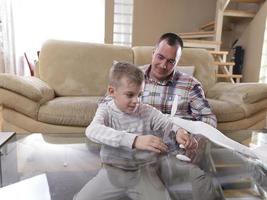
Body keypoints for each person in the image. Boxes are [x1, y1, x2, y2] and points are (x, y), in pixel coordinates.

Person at [74, 61, 196, 200]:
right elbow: (92, 130)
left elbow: (167, 123)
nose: (136, 101)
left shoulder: (146, 111)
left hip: (142, 172)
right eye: (130, 95)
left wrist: (180, 131)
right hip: (112, 172)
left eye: (139, 95)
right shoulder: (106, 110)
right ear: (112, 91)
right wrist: (135, 140)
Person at [139, 32, 221, 200]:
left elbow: (208, 118)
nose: (163, 65)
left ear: (177, 61)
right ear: (153, 52)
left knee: (202, 184)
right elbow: (108, 104)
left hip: (176, 153)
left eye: (171, 61)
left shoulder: (190, 84)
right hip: (142, 150)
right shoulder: (133, 77)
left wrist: (196, 140)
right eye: (160, 57)